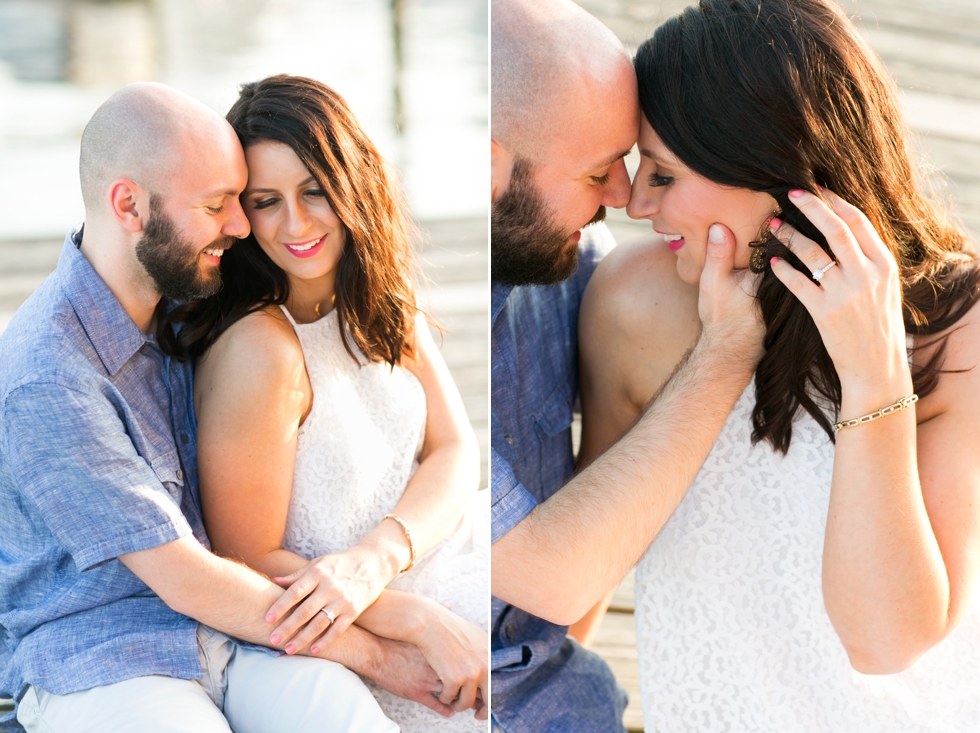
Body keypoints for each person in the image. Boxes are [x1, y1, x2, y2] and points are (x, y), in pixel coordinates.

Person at [580, 0, 980, 729]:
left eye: (664, 175)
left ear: (777, 170)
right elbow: (583, 569)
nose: (636, 203)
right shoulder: (631, 305)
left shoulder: (957, 327)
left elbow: (887, 641)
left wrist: (873, 373)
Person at [0, 82, 443, 733]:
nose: (241, 227)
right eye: (217, 206)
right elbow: (184, 576)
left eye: (241, 200)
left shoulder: (185, 302)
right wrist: (380, 653)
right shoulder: (50, 375)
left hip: (226, 635)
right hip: (104, 657)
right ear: (128, 206)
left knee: (349, 720)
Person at [158, 75, 488, 731]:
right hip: (345, 628)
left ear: (353, 181)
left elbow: (454, 448)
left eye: (314, 190)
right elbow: (244, 559)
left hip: (425, 557)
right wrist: (408, 615)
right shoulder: (261, 345)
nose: (297, 223)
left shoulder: (377, 294)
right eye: (267, 200)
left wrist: (379, 557)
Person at [490, 0, 770, 729]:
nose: (624, 198)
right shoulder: (402, 311)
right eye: (598, 172)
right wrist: (729, 344)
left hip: (549, 690)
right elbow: (555, 578)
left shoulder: (569, 262)